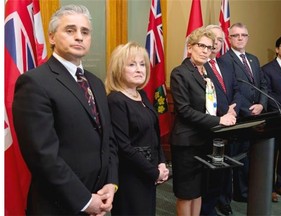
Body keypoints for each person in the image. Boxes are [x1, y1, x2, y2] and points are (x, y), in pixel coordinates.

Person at [12, 5, 118, 215]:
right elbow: (42, 156)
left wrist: (111, 183)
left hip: (99, 195)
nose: (79, 37)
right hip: (58, 204)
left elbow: (109, 140)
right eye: (70, 30)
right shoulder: (34, 82)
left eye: (85, 32)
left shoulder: (96, 83)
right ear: (51, 37)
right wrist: (85, 201)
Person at [170, 27, 236, 216]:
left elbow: (209, 103)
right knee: (186, 192)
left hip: (204, 139)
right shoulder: (180, 73)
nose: (206, 50)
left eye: (209, 47)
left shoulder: (205, 72)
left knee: (198, 190)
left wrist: (226, 111)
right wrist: (219, 119)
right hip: (187, 142)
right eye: (201, 46)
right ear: (190, 47)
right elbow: (184, 110)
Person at [105, 42, 169, 215]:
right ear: (118, 69)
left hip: (148, 172)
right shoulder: (116, 101)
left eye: (142, 64)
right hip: (130, 176)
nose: (139, 69)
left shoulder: (141, 95)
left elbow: (154, 134)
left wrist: (162, 162)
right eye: (132, 64)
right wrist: (154, 172)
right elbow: (123, 147)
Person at [220, 22, 268, 202]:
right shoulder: (225, 60)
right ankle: (231, 195)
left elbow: (263, 84)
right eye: (236, 35)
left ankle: (244, 192)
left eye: (244, 35)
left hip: (258, 114)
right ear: (229, 38)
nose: (240, 38)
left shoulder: (254, 59)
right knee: (235, 156)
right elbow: (230, 91)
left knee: (249, 157)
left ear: (248, 37)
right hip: (239, 116)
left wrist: (262, 105)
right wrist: (247, 110)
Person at [200, 25, 242, 216]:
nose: (216, 43)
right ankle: (207, 206)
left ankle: (223, 200)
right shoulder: (198, 65)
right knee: (210, 170)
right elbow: (201, 97)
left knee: (225, 167)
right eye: (212, 38)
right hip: (211, 125)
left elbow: (237, 89)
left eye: (219, 40)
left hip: (230, 122)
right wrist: (224, 113)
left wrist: (234, 107)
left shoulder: (226, 64)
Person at [262, 35, 281, 202]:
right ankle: (268, 188)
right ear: (277, 49)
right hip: (275, 119)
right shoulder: (266, 69)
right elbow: (268, 95)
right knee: (271, 154)